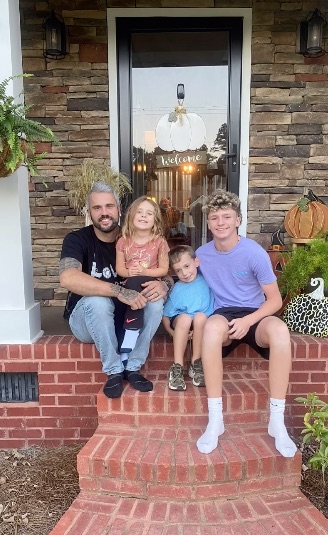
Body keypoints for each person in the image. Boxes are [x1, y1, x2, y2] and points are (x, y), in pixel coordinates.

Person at [195, 189, 297, 459]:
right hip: (225, 313)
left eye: (226, 216)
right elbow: (181, 276)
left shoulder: (253, 252)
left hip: (255, 313)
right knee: (212, 327)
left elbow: (274, 300)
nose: (221, 223)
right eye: (215, 218)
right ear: (208, 223)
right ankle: (215, 419)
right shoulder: (201, 255)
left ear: (238, 220)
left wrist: (249, 320)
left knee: (280, 330)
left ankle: (277, 420)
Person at [59, 181, 169, 399]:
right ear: (89, 212)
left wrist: (164, 284)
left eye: (109, 206)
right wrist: (118, 291)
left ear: (119, 209)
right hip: (87, 321)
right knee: (97, 301)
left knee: (155, 303)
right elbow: (68, 277)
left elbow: (165, 271)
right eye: (97, 208)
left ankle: (133, 367)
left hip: (128, 319)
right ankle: (114, 371)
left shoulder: (135, 237)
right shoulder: (77, 239)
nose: (104, 213)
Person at [116, 196, 169, 353]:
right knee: (131, 283)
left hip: (149, 284)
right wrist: (128, 272)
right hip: (131, 284)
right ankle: (132, 328)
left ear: (156, 220)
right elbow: (119, 268)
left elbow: (164, 269)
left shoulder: (160, 242)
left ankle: (131, 328)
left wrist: (145, 272)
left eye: (149, 213)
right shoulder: (123, 241)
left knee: (135, 284)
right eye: (139, 212)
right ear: (131, 216)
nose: (144, 216)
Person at [162, 245, 214, 391]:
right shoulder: (177, 288)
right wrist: (171, 332)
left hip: (201, 323)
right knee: (184, 318)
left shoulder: (207, 281)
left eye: (187, 266)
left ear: (196, 262)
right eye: (178, 270)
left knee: (200, 317)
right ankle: (177, 367)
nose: (184, 273)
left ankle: (196, 364)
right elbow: (166, 316)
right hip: (180, 322)